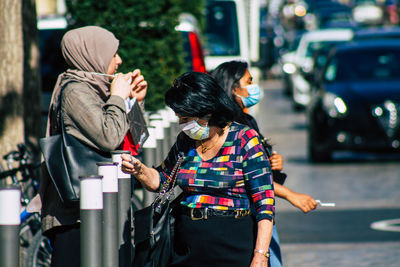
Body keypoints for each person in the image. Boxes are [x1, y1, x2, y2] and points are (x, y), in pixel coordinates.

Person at [122, 71, 275, 267]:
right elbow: (162, 180)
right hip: (187, 245)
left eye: (186, 119)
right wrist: (140, 170)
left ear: (207, 112)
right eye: (179, 118)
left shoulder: (244, 139)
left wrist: (261, 255)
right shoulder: (186, 141)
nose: (181, 125)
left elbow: (265, 204)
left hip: (233, 242)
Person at [38, 26, 147, 267]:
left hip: (104, 207)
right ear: (93, 54)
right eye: (113, 54)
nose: (119, 61)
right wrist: (117, 98)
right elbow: (109, 137)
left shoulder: (98, 88)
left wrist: (134, 102)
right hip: (77, 215)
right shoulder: (75, 91)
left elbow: (136, 140)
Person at [210, 60, 318, 266]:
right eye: (249, 81)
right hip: (244, 218)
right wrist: (291, 195)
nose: (254, 87)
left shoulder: (248, 121)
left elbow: (258, 168)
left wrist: (273, 163)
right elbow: (244, 176)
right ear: (234, 89)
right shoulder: (227, 128)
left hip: (261, 212)